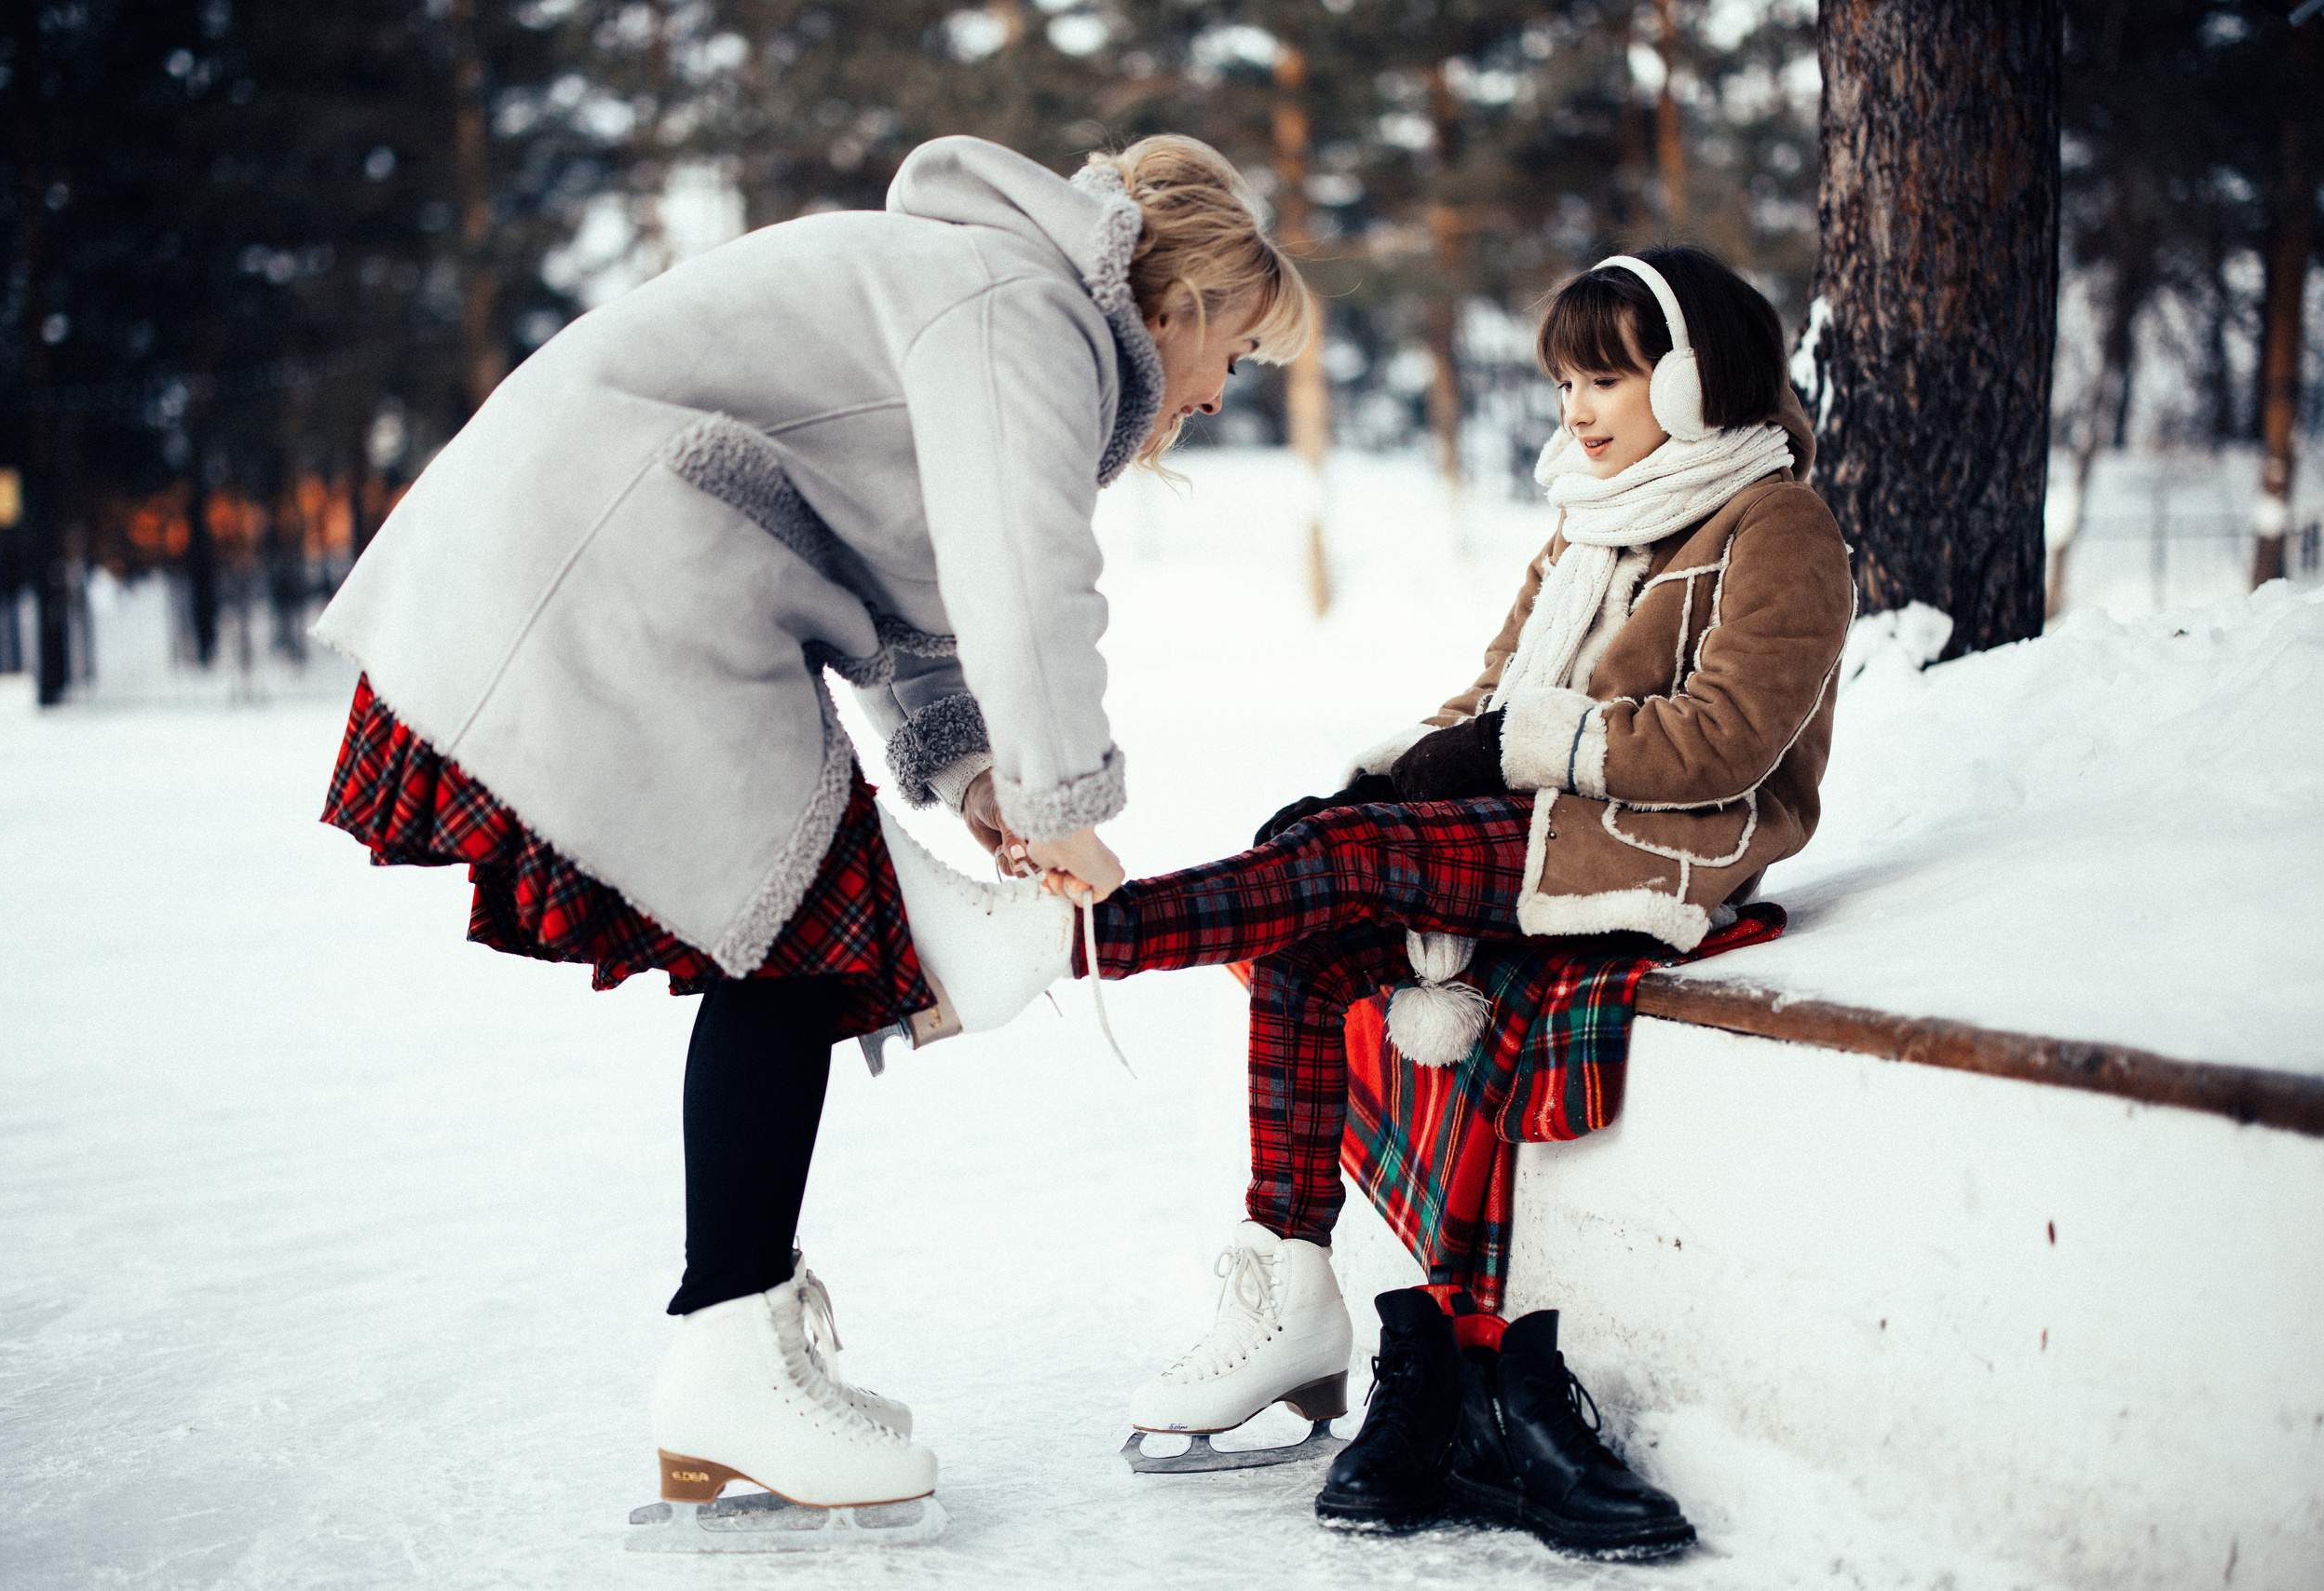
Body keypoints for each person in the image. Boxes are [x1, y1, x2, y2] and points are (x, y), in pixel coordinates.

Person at [311, 132, 1308, 1539]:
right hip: (622, 559)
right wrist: (1065, 807)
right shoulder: (1025, 312)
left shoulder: (983, 293)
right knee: (791, 944)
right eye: (1236, 355)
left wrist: (978, 777)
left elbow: (918, 589)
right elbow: (1025, 578)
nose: (1212, 395)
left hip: (617, 550)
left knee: (794, 942)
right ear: (1183, 303)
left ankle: (745, 1337)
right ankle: (730, 1361)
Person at [1007, 246, 1851, 1551]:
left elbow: (1727, 741)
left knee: (1339, 868)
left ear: (1695, 381)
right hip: (1545, 821)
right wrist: (1385, 775)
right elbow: (1489, 695)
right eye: (1565, 380)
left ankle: (1061, 939)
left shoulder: (1774, 523)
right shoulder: (1588, 515)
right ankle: (1291, 1287)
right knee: (1309, 930)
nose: (1576, 407)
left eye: (1609, 378)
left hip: (1658, 845)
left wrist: (1511, 750)